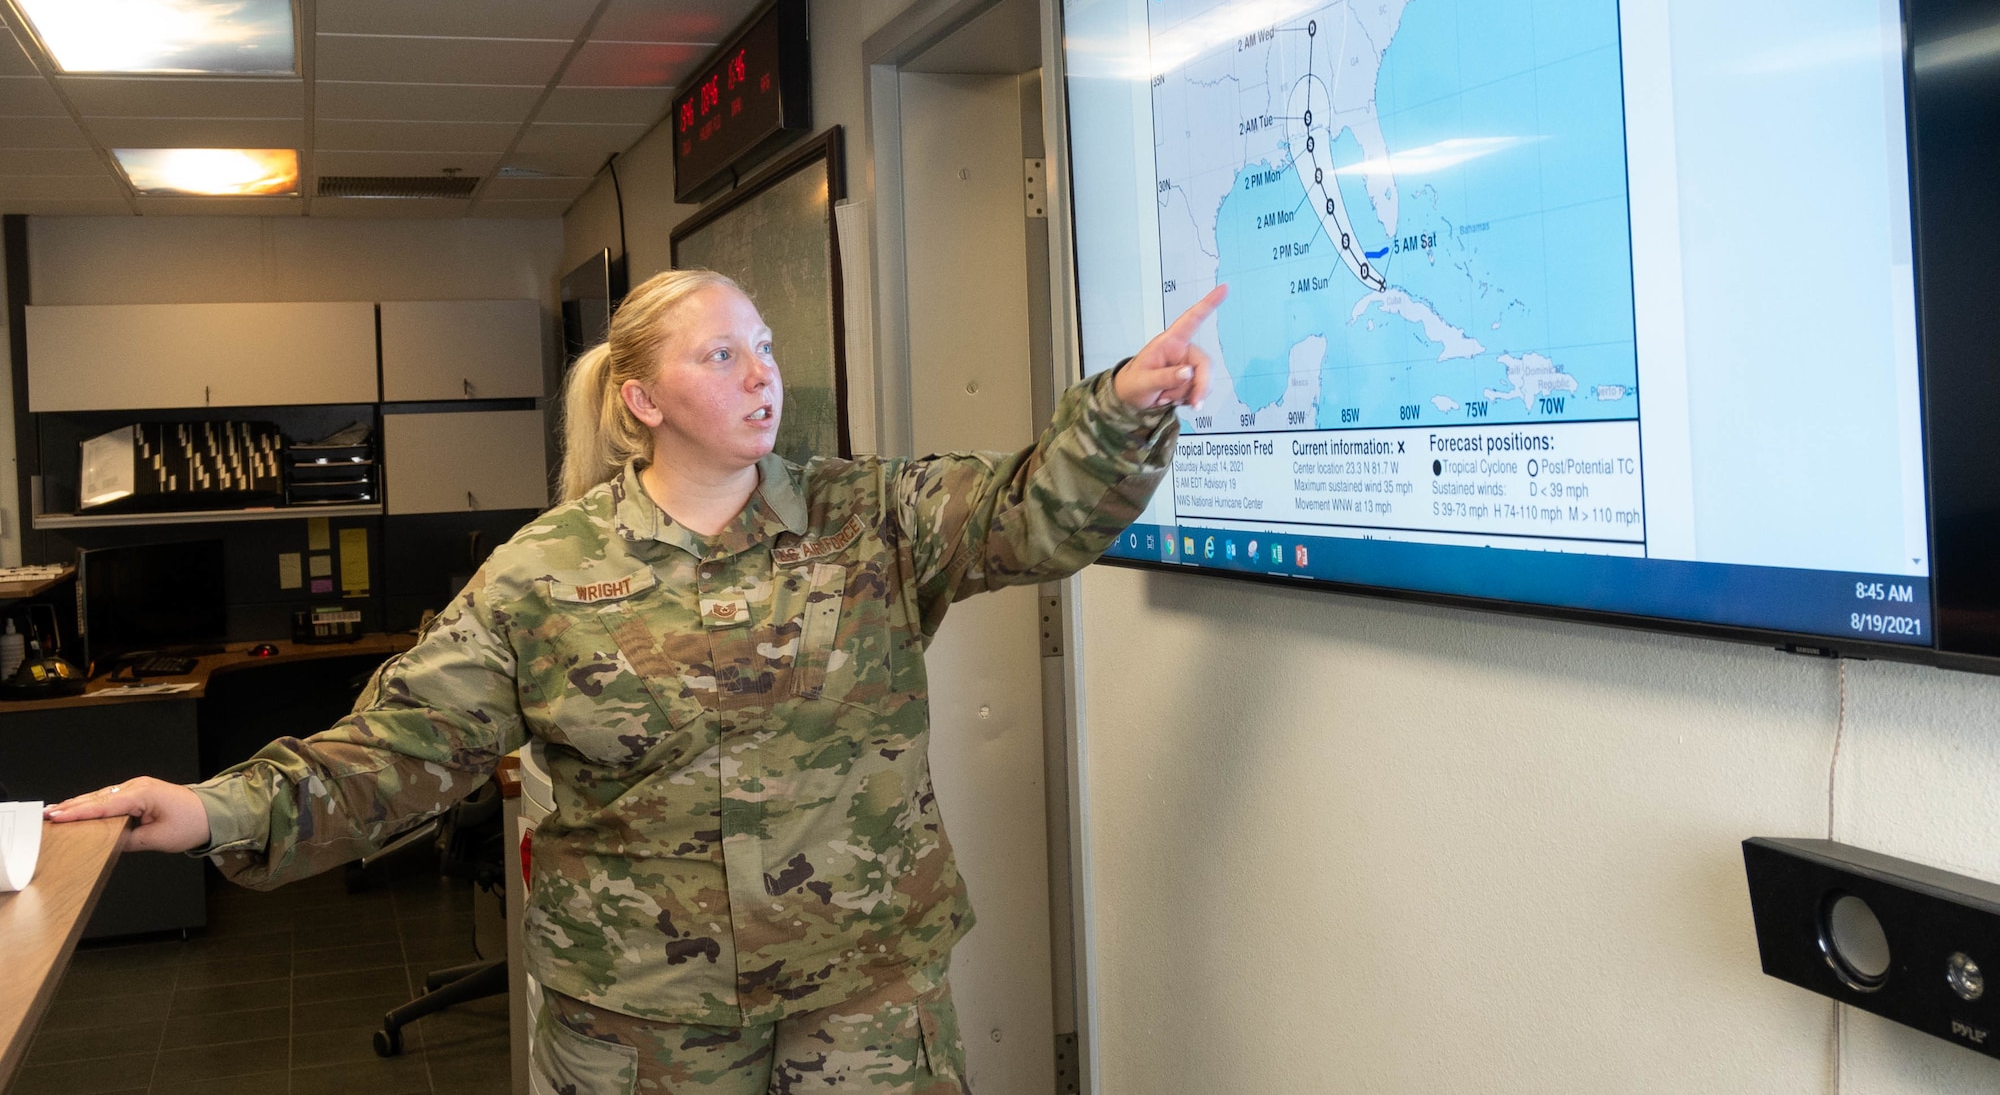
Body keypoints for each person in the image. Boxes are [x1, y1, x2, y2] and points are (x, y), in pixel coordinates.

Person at [47, 268, 1224, 1094]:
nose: (763, 374)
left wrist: (1120, 406)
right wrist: (210, 808)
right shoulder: (547, 572)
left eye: (764, 346)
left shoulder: (867, 516)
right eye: (723, 353)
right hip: (643, 1018)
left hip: (862, 996)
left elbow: (1032, 512)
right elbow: (398, 753)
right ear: (643, 402)